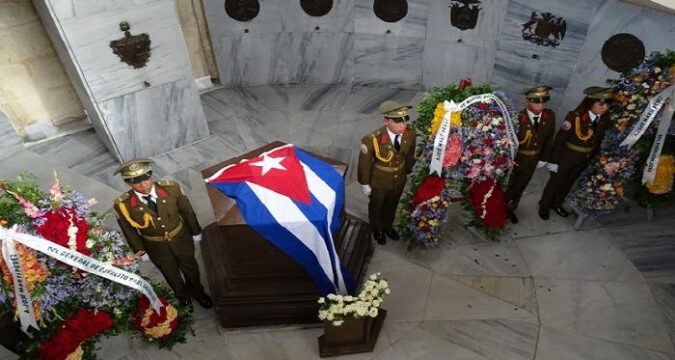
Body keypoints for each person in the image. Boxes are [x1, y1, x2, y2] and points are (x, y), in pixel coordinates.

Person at [113, 159, 212, 308]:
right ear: (127, 183)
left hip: (181, 238)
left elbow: (187, 212)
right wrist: (140, 251)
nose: (143, 184)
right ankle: (183, 296)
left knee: (191, 268)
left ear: (151, 175)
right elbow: (130, 232)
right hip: (156, 246)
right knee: (170, 273)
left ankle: (198, 292)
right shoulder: (123, 205)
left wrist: (195, 231)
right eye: (136, 181)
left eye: (146, 178)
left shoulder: (171, 189)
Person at [538, 86, 616, 220]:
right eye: (601, 104)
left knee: (568, 183)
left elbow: (597, 141)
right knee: (555, 182)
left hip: (583, 159)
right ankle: (544, 205)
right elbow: (560, 140)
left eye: (607, 105)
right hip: (566, 157)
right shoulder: (575, 117)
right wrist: (553, 161)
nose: (605, 108)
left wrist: (592, 158)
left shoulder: (604, 119)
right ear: (590, 103)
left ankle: (557, 203)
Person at [358, 100, 417, 245]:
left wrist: (407, 170)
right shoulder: (372, 140)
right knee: (377, 205)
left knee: (392, 204)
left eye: (404, 120)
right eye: (397, 122)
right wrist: (365, 183)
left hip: (399, 178)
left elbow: (409, 154)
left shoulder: (410, 134)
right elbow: (364, 164)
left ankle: (388, 226)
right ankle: (377, 229)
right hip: (379, 180)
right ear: (386, 121)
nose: (402, 125)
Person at [506, 86, 557, 224]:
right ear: (527, 101)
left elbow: (549, 139)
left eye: (543, 102)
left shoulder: (549, 116)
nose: (541, 105)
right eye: (536, 102)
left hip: (534, 159)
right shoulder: (518, 118)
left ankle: (511, 207)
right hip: (518, 158)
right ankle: (502, 206)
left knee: (522, 184)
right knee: (510, 184)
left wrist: (544, 158)